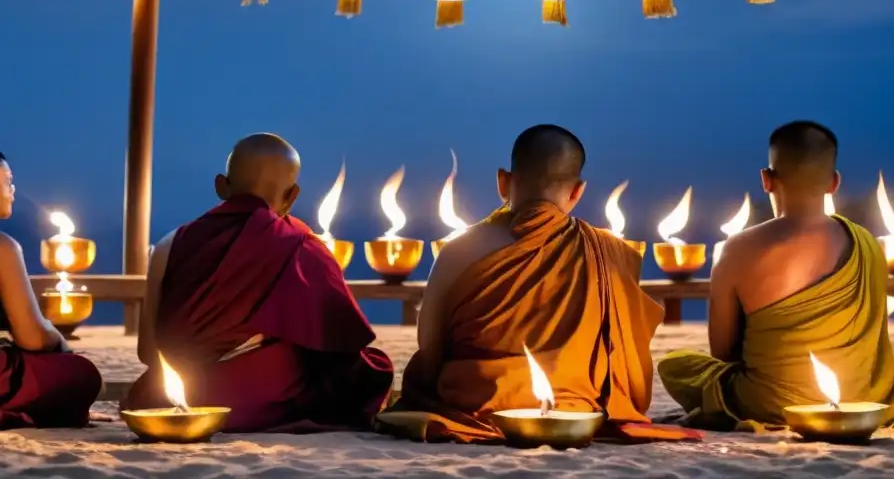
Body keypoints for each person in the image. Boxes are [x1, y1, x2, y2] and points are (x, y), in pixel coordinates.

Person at [376, 125, 699, 444]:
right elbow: (625, 366)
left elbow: (429, 348)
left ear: (503, 182)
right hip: (574, 410)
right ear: (577, 192)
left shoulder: (460, 250)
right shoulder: (606, 252)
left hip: (474, 405)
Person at [122, 133, 393, 432]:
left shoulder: (168, 244)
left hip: (163, 397)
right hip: (249, 400)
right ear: (292, 197)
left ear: (221, 186)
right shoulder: (299, 242)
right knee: (370, 366)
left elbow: (147, 352)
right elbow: (342, 345)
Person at [658, 121, 894, 430]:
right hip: (865, 399)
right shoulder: (867, 243)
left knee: (676, 365)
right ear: (834, 183)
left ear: (766, 180)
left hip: (770, 402)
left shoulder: (736, 250)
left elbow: (723, 353)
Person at [0, 151, 102, 428]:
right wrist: (59, 342)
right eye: (8, 180)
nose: (13, 189)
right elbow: (32, 337)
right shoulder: (3, 247)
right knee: (82, 373)